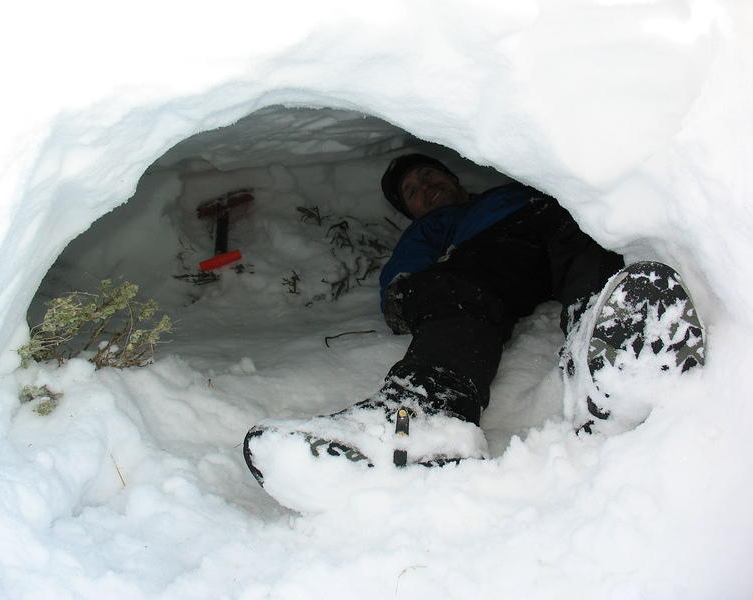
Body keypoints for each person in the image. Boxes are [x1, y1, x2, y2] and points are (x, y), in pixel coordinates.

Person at [244, 154, 706, 487]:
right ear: (411, 211)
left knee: (587, 246)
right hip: (490, 253)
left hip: (555, 219)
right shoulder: (432, 228)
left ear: (452, 176)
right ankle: (425, 414)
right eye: (413, 191)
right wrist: (414, 295)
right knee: (463, 291)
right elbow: (401, 279)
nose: (425, 187)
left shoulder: (516, 188)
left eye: (429, 175)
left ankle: (609, 355)